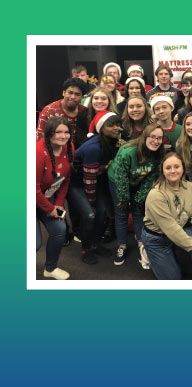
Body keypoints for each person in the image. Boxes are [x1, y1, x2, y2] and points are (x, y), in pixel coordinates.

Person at [142, 152, 192, 280]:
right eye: (168, 168)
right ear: (162, 171)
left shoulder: (190, 187)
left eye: (176, 166)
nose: (173, 171)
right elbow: (171, 229)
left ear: (183, 168)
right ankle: (148, 251)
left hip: (178, 227)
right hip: (157, 238)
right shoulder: (156, 195)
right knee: (174, 280)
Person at [107, 123, 165, 267]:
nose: (156, 141)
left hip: (138, 180)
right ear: (145, 137)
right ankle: (122, 246)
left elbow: (152, 177)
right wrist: (124, 198)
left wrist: (139, 197)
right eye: (152, 137)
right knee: (121, 212)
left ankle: (141, 244)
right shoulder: (128, 151)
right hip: (118, 180)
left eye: (159, 138)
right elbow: (121, 177)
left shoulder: (157, 153)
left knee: (138, 211)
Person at [68, 111, 121, 265]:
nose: (117, 128)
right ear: (101, 128)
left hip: (93, 181)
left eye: (118, 124)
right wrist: (91, 201)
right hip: (77, 184)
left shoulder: (112, 142)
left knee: (102, 212)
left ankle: (95, 244)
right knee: (90, 214)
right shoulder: (94, 148)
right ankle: (86, 249)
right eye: (111, 125)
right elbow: (89, 178)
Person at [36, 117, 74, 280]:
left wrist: (58, 205)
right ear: (49, 133)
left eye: (66, 132)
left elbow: (64, 181)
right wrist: (50, 209)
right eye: (58, 132)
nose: (63, 136)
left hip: (47, 198)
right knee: (34, 244)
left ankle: (50, 268)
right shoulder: (38, 152)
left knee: (59, 230)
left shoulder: (69, 147)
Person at [36, 77, 87, 142]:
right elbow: (40, 138)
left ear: (82, 97)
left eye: (77, 94)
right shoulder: (49, 111)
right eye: (70, 93)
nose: (73, 97)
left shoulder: (85, 112)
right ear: (64, 93)